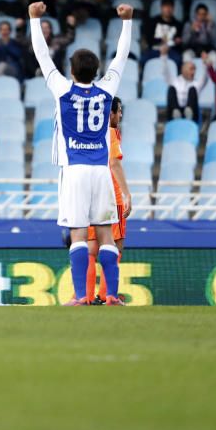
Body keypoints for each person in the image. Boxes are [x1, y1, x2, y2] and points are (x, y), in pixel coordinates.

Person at [28, 0, 135, 306]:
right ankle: (112, 294)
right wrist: (127, 22)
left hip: (74, 171)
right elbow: (122, 57)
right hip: (101, 171)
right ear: (96, 70)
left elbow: (42, 55)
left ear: (71, 70)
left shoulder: (62, 89)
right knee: (105, 235)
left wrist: (35, 19)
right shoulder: (107, 91)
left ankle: (83, 296)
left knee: (78, 234)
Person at [85, 98, 131, 304]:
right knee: (115, 246)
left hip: (93, 195)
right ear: (110, 114)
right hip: (112, 196)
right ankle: (107, 295)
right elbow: (114, 162)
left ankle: (85, 296)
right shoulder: (111, 133)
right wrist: (126, 193)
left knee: (91, 248)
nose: (120, 115)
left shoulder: (90, 134)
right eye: (118, 111)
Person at [141, 0, 183, 67]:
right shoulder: (153, 22)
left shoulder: (178, 24)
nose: (168, 9)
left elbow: (179, 42)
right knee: (143, 59)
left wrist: (177, 42)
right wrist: (161, 40)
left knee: (178, 59)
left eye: (170, 7)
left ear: (173, 8)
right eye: (166, 6)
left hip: (171, 51)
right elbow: (149, 40)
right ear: (161, 7)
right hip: (154, 50)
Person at [166, 58, 208, 123]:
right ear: (183, 70)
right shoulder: (175, 81)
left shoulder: (196, 83)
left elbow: (205, 79)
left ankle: (189, 112)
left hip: (191, 115)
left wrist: (205, 65)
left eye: (194, 69)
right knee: (171, 89)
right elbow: (165, 74)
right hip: (175, 111)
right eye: (191, 69)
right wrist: (163, 57)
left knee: (192, 89)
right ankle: (176, 113)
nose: (193, 72)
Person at [182, 3, 216, 69]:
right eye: (199, 14)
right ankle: (189, 76)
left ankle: (212, 77)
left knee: (214, 56)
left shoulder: (212, 24)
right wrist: (191, 31)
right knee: (186, 55)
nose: (201, 16)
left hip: (208, 49)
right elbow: (184, 42)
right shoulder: (189, 24)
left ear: (207, 15)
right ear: (195, 14)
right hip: (193, 49)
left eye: (204, 14)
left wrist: (209, 28)